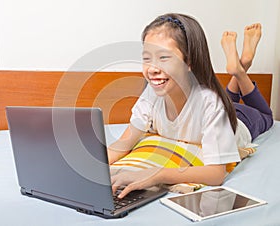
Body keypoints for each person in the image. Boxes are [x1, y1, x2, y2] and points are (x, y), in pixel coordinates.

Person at [108, 13, 271, 199]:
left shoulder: (211, 104)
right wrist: (92, 169)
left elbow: (216, 174)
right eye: (147, 58)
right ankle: (239, 67)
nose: (152, 68)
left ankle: (241, 69)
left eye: (163, 57)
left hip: (244, 120)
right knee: (227, 100)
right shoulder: (152, 95)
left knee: (265, 116)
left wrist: (157, 174)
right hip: (221, 108)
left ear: (189, 62)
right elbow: (121, 146)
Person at [221, 23, 273, 148]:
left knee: (266, 117)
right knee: (226, 105)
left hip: (234, 119)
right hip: (225, 111)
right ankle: (242, 67)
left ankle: (241, 68)